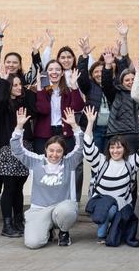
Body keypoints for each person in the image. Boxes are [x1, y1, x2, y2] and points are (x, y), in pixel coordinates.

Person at [7, 106, 84, 248]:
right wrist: (19, 126)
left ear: (63, 152)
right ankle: (47, 230)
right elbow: (17, 149)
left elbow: (81, 147)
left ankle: (63, 231)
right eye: (51, 150)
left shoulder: (70, 162)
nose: (54, 154)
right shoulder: (35, 161)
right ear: (45, 150)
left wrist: (74, 125)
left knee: (66, 211)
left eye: (59, 151)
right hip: (39, 209)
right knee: (32, 243)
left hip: (62, 208)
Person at [82, 107, 139, 247]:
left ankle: (113, 231)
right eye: (112, 148)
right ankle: (102, 234)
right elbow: (88, 147)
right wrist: (90, 123)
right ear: (108, 149)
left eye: (119, 148)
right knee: (108, 207)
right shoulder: (101, 161)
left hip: (122, 205)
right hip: (101, 205)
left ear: (124, 149)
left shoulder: (131, 162)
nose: (115, 151)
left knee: (116, 212)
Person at [0, 63, 36, 237]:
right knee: (9, 187)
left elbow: (35, 108)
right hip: (7, 149)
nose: (18, 88)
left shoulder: (24, 102)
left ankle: (18, 221)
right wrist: (2, 81)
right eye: (14, 85)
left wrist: (34, 88)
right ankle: (7, 224)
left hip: (25, 148)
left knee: (18, 188)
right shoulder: (3, 106)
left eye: (19, 85)